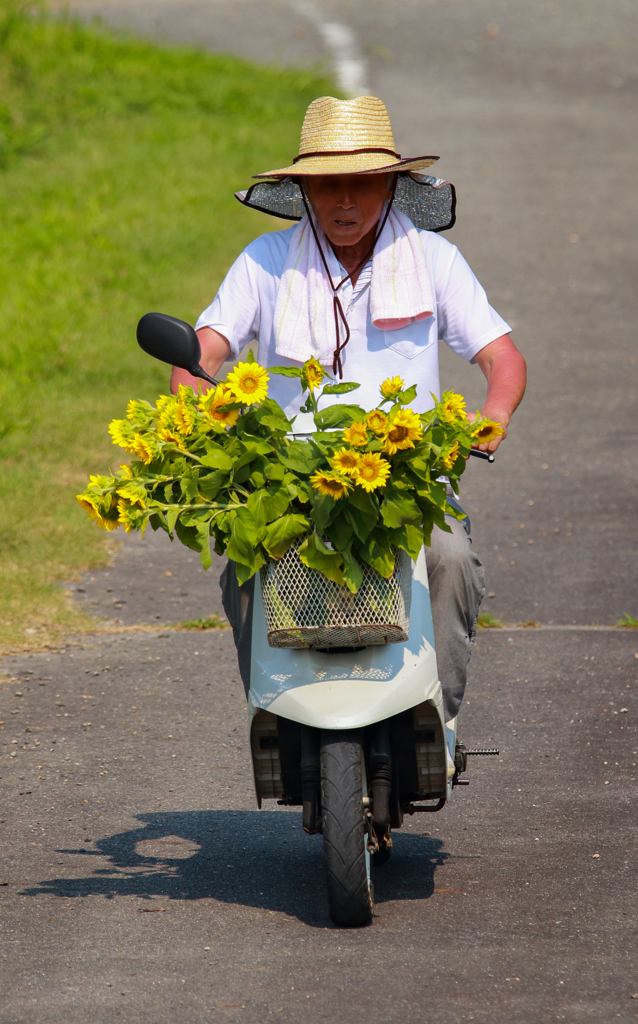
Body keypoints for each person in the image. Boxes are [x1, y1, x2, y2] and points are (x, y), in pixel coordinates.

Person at [170, 95, 526, 744]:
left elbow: (500, 356)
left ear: (389, 185)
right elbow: (207, 349)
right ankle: (274, 712)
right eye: (326, 185)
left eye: (359, 184)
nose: (343, 202)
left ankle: (437, 721)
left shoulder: (432, 261)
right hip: (287, 475)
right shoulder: (264, 261)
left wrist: (492, 413)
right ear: (302, 191)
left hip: (407, 475)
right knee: (244, 567)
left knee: (448, 557)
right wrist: (194, 398)